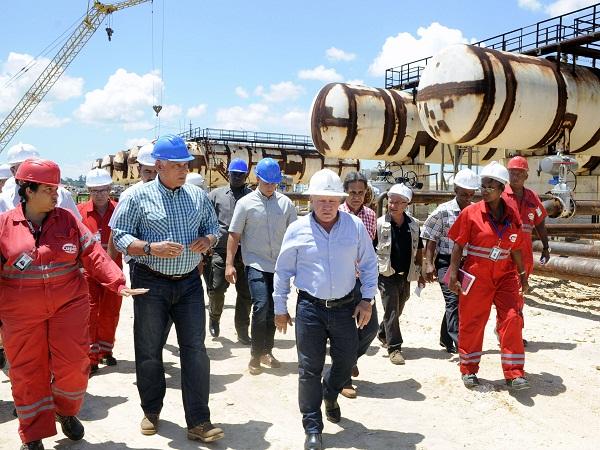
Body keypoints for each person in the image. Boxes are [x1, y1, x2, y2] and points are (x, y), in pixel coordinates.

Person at [0, 159, 144, 450]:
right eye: (48, 189)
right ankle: (33, 435)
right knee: (27, 373)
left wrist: (118, 282)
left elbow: (94, 254)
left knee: (75, 366)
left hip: (69, 307)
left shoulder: (67, 220)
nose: (56, 194)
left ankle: (65, 411)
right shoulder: (4, 226)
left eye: (57, 188)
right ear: (27, 190)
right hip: (21, 315)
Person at [111, 134, 225, 443]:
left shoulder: (196, 195)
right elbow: (120, 236)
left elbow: (213, 228)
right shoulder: (137, 197)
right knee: (149, 351)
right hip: (151, 283)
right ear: (159, 165)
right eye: (176, 165)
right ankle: (151, 410)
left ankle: (199, 421)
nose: (183, 170)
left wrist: (208, 241)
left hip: (188, 284)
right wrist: (150, 248)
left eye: (185, 165)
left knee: (196, 352)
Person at [273, 169, 378, 450]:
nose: (327, 206)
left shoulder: (354, 226)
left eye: (333, 200)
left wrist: (366, 299)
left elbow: (369, 264)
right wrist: (279, 307)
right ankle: (312, 426)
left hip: (345, 308)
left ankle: (330, 394)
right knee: (309, 368)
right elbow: (283, 271)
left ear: (340, 201)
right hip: (310, 308)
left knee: (345, 363)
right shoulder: (297, 229)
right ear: (311, 200)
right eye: (322, 200)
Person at [447, 161, 530, 391]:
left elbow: (516, 247)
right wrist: (453, 275)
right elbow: (457, 244)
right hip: (477, 274)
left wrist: (522, 276)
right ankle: (469, 369)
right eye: (482, 185)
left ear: (502, 188)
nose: (483, 190)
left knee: (513, 318)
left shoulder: (512, 215)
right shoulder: (471, 213)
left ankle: (514, 373)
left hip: (505, 275)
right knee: (473, 321)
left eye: (489, 186)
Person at [226, 158, 297, 375]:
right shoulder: (245, 203)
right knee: (261, 305)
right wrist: (229, 263)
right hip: (255, 263)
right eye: (266, 182)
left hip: (279, 267)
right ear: (257, 179)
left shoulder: (286, 204)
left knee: (273, 310)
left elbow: (296, 236)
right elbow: (234, 235)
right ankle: (255, 355)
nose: (270, 186)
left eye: (274, 183)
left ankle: (267, 350)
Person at [421, 168, 479, 354]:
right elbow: (431, 238)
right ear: (455, 190)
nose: (467, 198)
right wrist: (429, 264)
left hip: (468, 263)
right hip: (446, 262)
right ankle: (460, 344)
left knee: (461, 301)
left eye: (471, 194)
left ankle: (445, 339)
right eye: (464, 194)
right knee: (453, 300)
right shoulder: (443, 212)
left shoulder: (476, 211)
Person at [77, 168, 124, 374]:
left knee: (111, 311)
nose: (99, 194)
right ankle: (91, 356)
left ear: (110, 189)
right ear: (88, 190)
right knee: (90, 313)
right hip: (89, 272)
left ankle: (106, 350)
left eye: (103, 190)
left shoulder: (120, 210)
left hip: (114, 271)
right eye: (95, 190)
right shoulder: (79, 212)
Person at [502, 156, 550, 346]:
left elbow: (540, 223)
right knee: (507, 295)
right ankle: (507, 332)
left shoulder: (532, 197)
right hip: (505, 254)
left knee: (519, 293)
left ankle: (512, 332)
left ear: (526, 175)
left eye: (519, 173)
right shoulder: (501, 196)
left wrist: (546, 247)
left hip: (525, 254)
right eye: (512, 172)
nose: (515, 176)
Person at [338, 171, 378, 399]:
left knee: (370, 327)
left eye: (360, 193)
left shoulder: (371, 215)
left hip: (363, 281)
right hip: (342, 280)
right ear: (345, 192)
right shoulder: (336, 213)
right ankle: (344, 379)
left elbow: (369, 251)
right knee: (345, 331)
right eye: (352, 192)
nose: (356, 197)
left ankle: (351, 359)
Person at [204, 158, 252, 344]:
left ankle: (242, 330)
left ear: (246, 175)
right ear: (228, 174)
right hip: (220, 250)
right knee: (216, 289)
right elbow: (206, 220)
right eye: (234, 174)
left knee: (245, 293)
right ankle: (214, 318)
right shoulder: (216, 195)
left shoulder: (251, 197)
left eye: (241, 175)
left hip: (245, 252)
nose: (237, 178)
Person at [376, 183, 424, 365]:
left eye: (398, 202)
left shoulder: (413, 225)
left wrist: (420, 273)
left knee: (399, 307)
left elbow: (418, 249)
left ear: (406, 204)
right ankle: (394, 348)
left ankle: (383, 333)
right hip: (386, 274)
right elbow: (371, 248)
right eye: (390, 201)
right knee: (392, 309)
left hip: (406, 275)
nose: (393, 205)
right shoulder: (380, 224)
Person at [0, 143, 81, 219]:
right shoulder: (3, 200)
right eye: (23, 168)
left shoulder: (63, 195)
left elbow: (77, 225)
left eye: (34, 167)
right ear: (13, 171)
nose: (29, 173)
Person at [107, 142, 157, 261]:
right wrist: (109, 265)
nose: (153, 177)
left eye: (156, 172)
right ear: (139, 169)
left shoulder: (170, 193)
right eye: (148, 172)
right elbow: (115, 231)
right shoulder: (129, 195)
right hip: (139, 263)